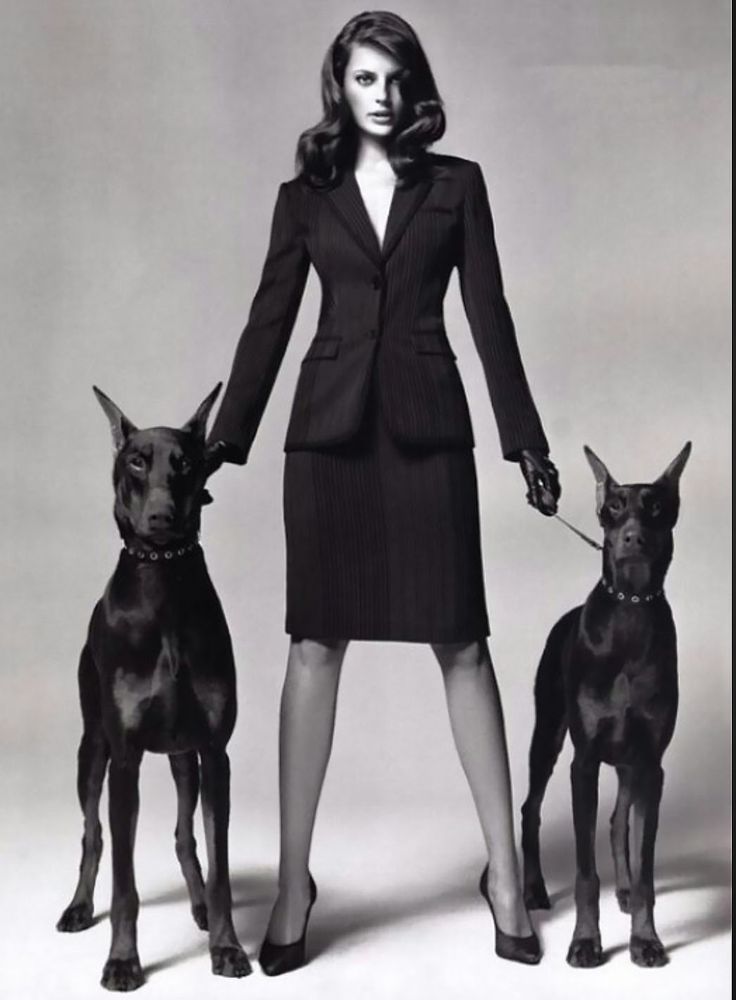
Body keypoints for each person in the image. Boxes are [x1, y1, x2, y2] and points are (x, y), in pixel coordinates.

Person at [206, 9, 560, 975]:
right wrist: (220, 442)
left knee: (464, 646)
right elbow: (269, 319)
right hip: (326, 438)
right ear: (341, 86)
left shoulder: (458, 187)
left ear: (415, 86)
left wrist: (525, 444)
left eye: (396, 78)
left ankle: (501, 871)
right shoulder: (304, 196)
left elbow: (492, 319)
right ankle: (291, 884)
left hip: (428, 430)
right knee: (314, 645)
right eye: (365, 78)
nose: (383, 94)